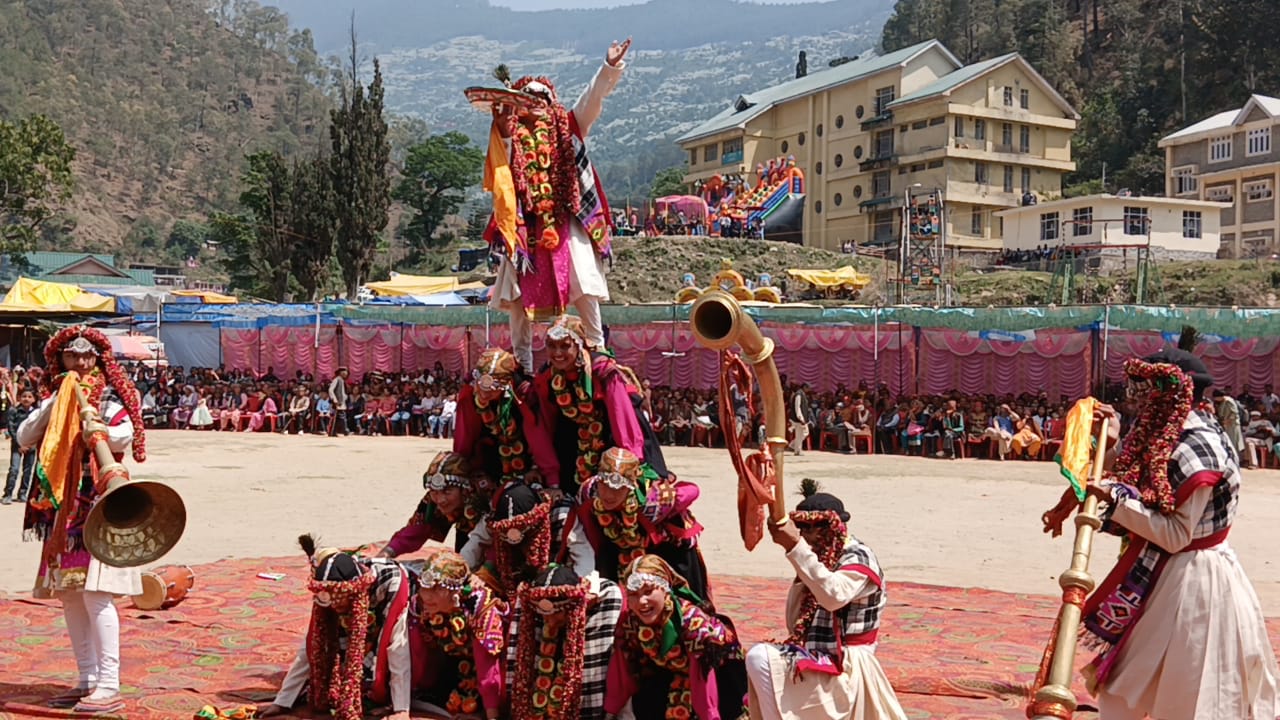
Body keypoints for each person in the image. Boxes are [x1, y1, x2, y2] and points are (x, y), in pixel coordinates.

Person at [1041, 346, 1280, 720]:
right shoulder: (1166, 432)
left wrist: (1115, 499)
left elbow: (1175, 535)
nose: (1136, 397)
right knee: (1124, 687)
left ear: (1173, 392)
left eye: (1146, 388)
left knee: (1185, 692)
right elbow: (1131, 480)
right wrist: (1115, 440)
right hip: (1162, 570)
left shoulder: (1198, 446)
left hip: (1194, 580)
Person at [17, 326, 148, 715]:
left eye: (88, 357)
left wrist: (97, 427)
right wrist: (56, 407)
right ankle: (87, 679)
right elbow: (25, 436)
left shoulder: (109, 398)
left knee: (97, 594)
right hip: (64, 511)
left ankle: (109, 684)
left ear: (98, 361)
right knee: (70, 595)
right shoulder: (53, 400)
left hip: (101, 507)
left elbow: (126, 436)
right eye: (73, 357)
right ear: (61, 361)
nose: (81, 364)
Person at [482, 40, 632, 375]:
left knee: (584, 285)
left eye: (542, 97)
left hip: (568, 220)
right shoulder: (509, 135)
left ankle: (598, 351)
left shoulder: (569, 125)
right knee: (517, 299)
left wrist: (608, 67)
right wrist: (505, 129)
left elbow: (592, 100)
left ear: (552, 102)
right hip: (526, 227)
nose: (536, 102)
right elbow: (502, 173)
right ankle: (521, 367)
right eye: (528, 98)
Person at [745, 481, 908, 720]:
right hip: (819, 656)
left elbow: (834, 596)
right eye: (803, 528)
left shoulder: (858, 556)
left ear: (836, 526)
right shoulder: (821, 559)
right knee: (759, 660)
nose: (809, 536)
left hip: (849, 664)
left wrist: (795, 547)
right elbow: (794, 622)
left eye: (817, 528)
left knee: (761, 658)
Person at [261, 535, 413, 720]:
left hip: (410, 615)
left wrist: (401, 709)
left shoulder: (390, 582)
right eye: (327, 599)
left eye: (338, 597)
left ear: (353, 591)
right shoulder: (327, 597)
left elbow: (398, 647)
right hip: (360, 607)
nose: (333, 603)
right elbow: (310, 646)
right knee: (332, 667)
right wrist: (282, 701)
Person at [533, 314, 668, 496]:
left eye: (565, 346)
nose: (557, 353)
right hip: (570, 444)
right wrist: (551, 475)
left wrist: (629, 465)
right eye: (552, 346)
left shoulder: (602, 371)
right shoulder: (546, 377)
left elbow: (622, 418)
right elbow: (545, 423)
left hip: (611, 438)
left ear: (579, 345)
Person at [605, 555, 748, 720]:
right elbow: (622, 667)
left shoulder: (692, 622)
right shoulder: (631, 622)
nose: (642, 601)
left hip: (718, 676)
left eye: (648, 592)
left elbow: (703, 678)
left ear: (665, 590)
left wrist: (710, 716)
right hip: (674, 672)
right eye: (633, 594)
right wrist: (612, 709)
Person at [570, 446, 711, 601]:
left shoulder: (655, 501)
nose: (609, 495)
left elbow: (693, 490)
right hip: (617, 543)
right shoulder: (589, 490)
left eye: (618, 488)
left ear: (631, 486)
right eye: (605, 485)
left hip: (668, 548)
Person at [506, 564, 630, 720]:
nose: (549, 622)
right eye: (545, 616)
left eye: (556, 615)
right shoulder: (538, 619)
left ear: (572, 609)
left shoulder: (595, 613)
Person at [408, 550, 508, 720]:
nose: (427, 596)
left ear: (455, 592)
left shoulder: (479, 606)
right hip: (455, 662)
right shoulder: (420, 604)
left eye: (437, 589)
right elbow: (417, 651)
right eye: (424, 589)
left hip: (496, 667)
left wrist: (492, 715)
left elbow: (488, 666)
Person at [462, 481, 593, 598]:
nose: (514, 537)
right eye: (505, 532)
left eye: (523, 529)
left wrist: (575, 590)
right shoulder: (495, 519)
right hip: (506, 585)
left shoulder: (561, 516)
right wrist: (459, 573)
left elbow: (584, 557)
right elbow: (475, 542)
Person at [454, 347, 559, 486]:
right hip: (487, 465)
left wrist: (548, 477)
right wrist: (459, 469)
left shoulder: (525, 397)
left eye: (492, 389)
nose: (484, 395)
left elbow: (539, 440)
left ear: (507, 384)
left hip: (526, 468)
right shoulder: (470, 395)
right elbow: (464, 438)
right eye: (481, 388)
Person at [381, 452, 495, 557]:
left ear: (465, 490)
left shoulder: (487, 498)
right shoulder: (432, 501)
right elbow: (416, 530)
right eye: (434, 492)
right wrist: (387, 553)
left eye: (447, 491)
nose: (440, 500)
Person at [2, 387, 36, 504]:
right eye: (24, 396)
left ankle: (22, 493)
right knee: (14, 469)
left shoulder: (36, 413)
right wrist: (20, 444)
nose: (26, 399)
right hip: (17, 446)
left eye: (29, 396)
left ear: (34, 399)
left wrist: (31, 444)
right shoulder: (14, 411)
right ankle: (8, 494)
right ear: (19, 398)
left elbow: (38, 429)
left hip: (31, 446)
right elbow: (11, 428)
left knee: (28, 470)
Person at [328, 368, 350, 436]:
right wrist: (334, 399)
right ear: (340, 372)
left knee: (338, 418)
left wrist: (345, 397)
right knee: (341, 417)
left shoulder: (342, 381)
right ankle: (345, 430)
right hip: (337, 402)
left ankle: (334, 431)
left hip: (342, 402)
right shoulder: (336, 380)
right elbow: (331, 390)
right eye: (344, 372)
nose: (345, 374)